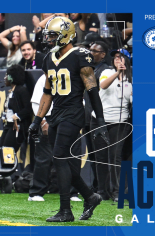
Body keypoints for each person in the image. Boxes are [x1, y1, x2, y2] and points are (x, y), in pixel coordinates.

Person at [28, 16, 109, 222]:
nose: (49, 39)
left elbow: (92, 90)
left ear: (65, 36)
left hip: (73, 113)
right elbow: (47, 92)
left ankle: (66, 210)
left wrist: (99, 120)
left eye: (53, 35)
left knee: (59, 158)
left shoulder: (81, 55)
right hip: (56, 114)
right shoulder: (49, 58)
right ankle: (90, 196)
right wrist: (37, 120)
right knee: (66, 164)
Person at [92, 49, 132, 202]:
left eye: (121, 57)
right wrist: (117, 73)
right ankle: (102, 191)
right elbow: (103, 85)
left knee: (115, 157)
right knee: (100, 156)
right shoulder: (107, 72)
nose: (117, 59)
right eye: (115, 57)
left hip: (120, 121)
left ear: (127, 61)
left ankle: (117, 192)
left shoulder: (131, 80)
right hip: (100, 119)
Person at [82, 41, 110, 192]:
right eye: (90, 50)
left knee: (100, 156)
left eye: (94, 51)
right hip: (87, 117)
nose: (90, 52)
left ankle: (103, 188)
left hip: (97, 118)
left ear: (103, 54)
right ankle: (97, 185)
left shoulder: (104, 71)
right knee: (92, 155)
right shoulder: (89, 69)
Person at [0, 65, 32, 152]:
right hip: (8, 125)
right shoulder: (11, 91)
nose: (5, 78)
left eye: (7, 75)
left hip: (16, 127)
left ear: (12, 77)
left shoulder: (21, 90)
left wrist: (17, 116)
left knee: (7, 153)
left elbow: (29, 108)